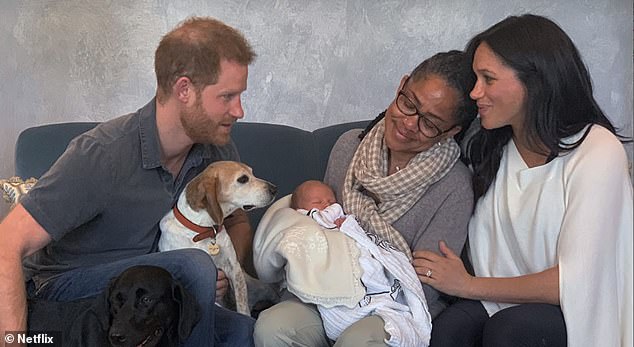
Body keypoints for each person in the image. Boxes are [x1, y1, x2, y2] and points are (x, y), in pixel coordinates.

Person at [0, 17, 258, 347]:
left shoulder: (217, 150)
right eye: (227, 96)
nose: (239, 110)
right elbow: (7, 242)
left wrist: (219, 267)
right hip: (71, 288)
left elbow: (236, 220)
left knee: (241, 330)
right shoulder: (102, 154)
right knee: (193, 266)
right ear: (184, 90)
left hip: (151, 294)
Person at [414, 14, 633, 347]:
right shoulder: (488, 144)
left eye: (488, 78)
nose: (475, 92)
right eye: (475, 78)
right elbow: (413, 133)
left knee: (513, 330)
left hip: (577, 311)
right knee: (449, 329)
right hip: (498, 302)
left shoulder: (597, 151)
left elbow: (574, 282)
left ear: (536, 82)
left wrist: (466, 285)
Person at [254, 50, 479, 346]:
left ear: (450, 132)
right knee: (273, 327)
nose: (409, 123)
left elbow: (425, 281)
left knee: (357, 342)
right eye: (409, 103)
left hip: (393, 305)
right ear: (401, 85)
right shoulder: (349, 146)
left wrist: (364, 289)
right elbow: (324, 228)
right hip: (329, 289)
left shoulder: (454, 185)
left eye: (430, 123)